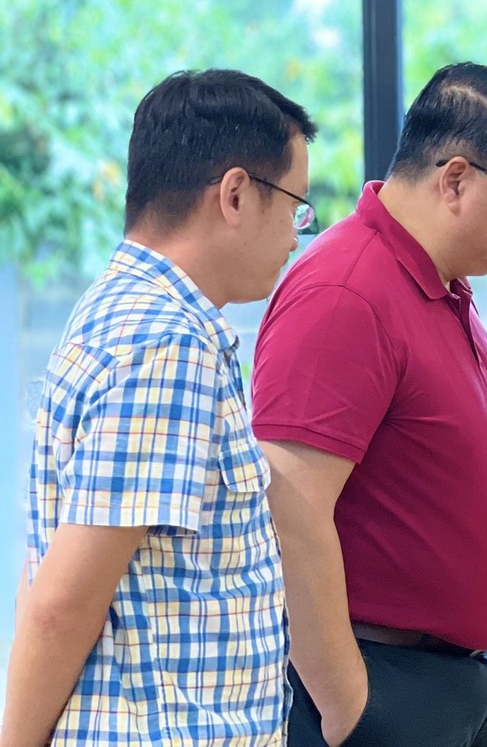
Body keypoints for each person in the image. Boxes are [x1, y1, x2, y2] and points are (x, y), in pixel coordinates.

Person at [250, 62, 487, 747]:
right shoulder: (346, 290)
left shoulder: (437, 280)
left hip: (449, 673)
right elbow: (287, 506)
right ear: (456, 179)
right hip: (385, 680)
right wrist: (350, 708)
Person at [2, 69, 317, 746]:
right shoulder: (166, 342)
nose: (297, 236)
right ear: (235, 194)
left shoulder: (121, 306)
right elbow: (63, 601)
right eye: (297, 206)